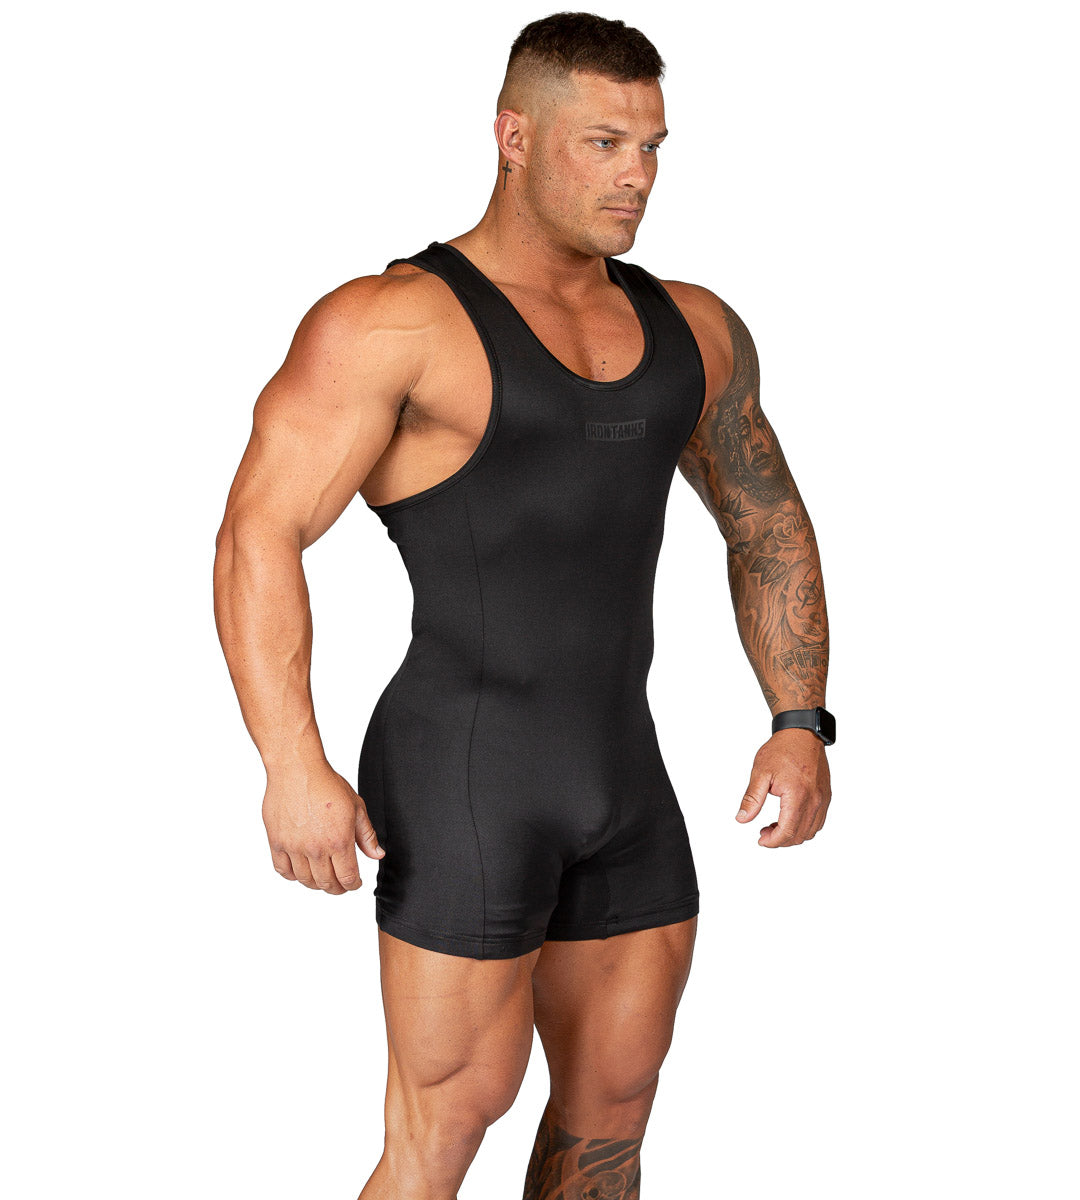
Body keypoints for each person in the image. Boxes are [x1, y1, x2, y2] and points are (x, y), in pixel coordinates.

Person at [213, 12, 833, 1199]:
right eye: (603, 144)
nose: (636, 176)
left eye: (652, 147)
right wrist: (291, 762)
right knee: (449, 1121)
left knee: (615, 1110)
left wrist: (799, 719)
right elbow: (258, 534)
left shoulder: (694, 327)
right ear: (513, 137)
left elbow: (765, 519)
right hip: (466, 772)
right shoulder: (391, 322)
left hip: (622, 774)